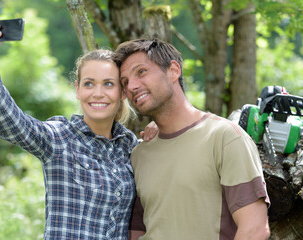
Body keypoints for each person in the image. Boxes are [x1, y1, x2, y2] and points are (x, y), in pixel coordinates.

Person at [0, 16, 157, 240]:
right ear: (77, 90)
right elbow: (9, 119)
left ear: (122, 92)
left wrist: (159, 138)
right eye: (89, 83)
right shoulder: (58, 138)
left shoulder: (130, 147)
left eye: (108, 84)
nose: (98, 93)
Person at [114, 38, 271, 240]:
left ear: (173, 71)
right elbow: (137, 232)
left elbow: (254, 230)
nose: (132, 86)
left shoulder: (224, 137)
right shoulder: (139, 154)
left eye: (141, 72)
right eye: (125, 82)